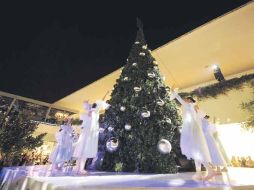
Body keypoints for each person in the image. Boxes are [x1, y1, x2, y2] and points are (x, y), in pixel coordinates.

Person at [171, 90, 216, 180]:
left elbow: (179, 98)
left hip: (191, 130)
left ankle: (210, 171)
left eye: (187, 99)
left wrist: (173, 91)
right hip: (192, 130)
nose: (185, 100)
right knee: (196, 153)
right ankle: (199, 173)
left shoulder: (188, 106)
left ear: (190, 101)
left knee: (197, 152)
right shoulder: (192, 108)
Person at [73, 100, 110, 174]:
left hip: (88, 134)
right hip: (89, 134)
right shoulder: (93, 113)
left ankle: (78, 168)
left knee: (83, 151)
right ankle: (80, 169)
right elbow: (91, 121)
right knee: (85, 150)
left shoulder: (93, 112)